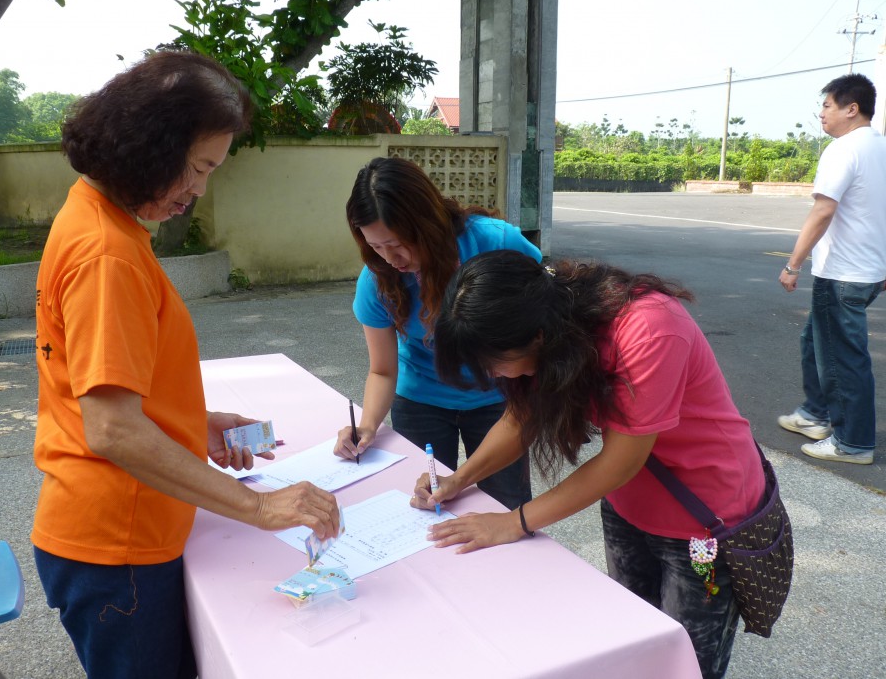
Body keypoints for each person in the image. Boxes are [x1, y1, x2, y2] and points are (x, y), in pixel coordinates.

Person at [31, 51, 340, 679]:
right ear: (150, 147)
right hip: (118, 544)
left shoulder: (97, 218)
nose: (199, 190)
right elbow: (112, 429)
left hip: (120, 532)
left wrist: (193, 423)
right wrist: (259, 508)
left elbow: (105, 391)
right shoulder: (107, 255)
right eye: (199, 168)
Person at [412, 250, 765, 679]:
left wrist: (513, 522)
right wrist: (459, 480)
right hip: (628, 506)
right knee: (631, 647)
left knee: (684, 664)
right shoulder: (551, 320)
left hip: (704, 518)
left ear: (537, 336)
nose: (495, 375)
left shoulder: (648, 327)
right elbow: (520, 419)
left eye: (495, 363)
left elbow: (619, 462)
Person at [332, 156, 541, 510]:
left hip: (499, 397)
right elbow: (382, 370)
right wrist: (367, 426)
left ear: (426, 222)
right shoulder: (377, 279)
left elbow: (541, 311)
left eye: (398, 243)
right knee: (425, 503)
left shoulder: (495, 241)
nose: (391, 258)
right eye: (376, 247)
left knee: (505, 505)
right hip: (421, 401)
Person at [777, 73, 886, 465]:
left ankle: (852, 443)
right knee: (815, 341)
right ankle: (815, 413)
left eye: (827, 105)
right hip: (868, 272)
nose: (821, 114)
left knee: (843, 359)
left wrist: (793, 264)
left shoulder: (843, 150)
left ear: (851, 109)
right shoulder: (880, 147)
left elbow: (824, 209)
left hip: (842, 274)